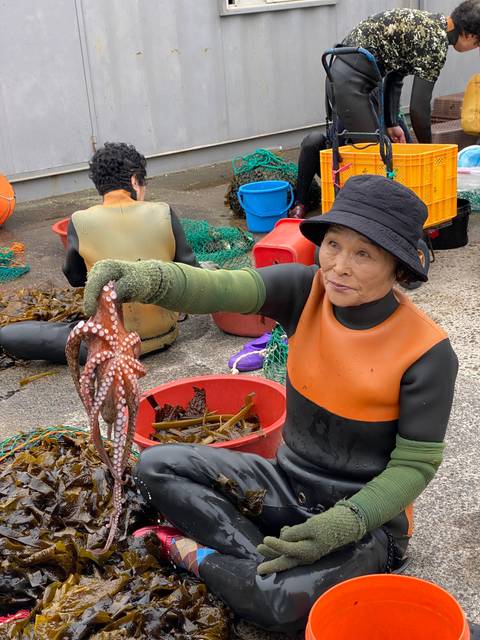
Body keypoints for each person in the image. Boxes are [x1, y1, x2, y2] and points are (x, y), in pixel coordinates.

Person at [83, 175, 458, 633]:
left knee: (283, 608)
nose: (338, 266)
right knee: (156, 466)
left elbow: (415, 466)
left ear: (399, 268)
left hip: (366, 523)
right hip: (283, 484)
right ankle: (261, 563)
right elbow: (219, 288)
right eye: (334, 244)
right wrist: (148, 278)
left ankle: (194, 555)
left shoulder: (428, 352)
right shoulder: (303, 290)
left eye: (363, 254)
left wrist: (345, 522)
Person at [0, 142, 199, 363]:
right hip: (165, 333)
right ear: (135, 180)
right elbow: (192, 272)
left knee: (9, 335)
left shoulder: (79, 220)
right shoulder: (164, 211)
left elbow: (75, 278)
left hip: (109, 343)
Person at [289, 0, 480, 219]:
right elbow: (419, 108)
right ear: (468, 35)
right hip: (352, 82)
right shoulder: (435, 44)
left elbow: (395, 77)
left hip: (347, 75)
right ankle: (368, 218)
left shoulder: (426, 26)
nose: (476, 48)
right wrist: (430, 153)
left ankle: (361, 211)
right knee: (377, 154)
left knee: (379, 148)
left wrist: (391, 123)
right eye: (478, 43)